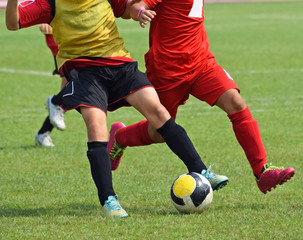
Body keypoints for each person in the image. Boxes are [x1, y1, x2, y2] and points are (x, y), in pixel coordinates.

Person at [6, 0, 228, 218]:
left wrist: (140, 12)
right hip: (84, 72)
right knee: (96, 129)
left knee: (160, 114)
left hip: (119, 64)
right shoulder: (49, 3)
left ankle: (201, 170)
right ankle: (108, 200)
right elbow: (13, 23)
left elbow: (127, 9)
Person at [107, 0, 295, 194]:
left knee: (235, 103)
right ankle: (120, 137)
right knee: (160, 132)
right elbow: (134, 7)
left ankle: (262, 172)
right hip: (168, 72)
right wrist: (139, 12)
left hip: (201, 62)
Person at [35, 23, 67, 147]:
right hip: (64, 42)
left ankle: (43, 133)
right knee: (74, 90)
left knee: (69, 94)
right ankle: (55, 102)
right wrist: (44, 19)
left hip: (83, 38)